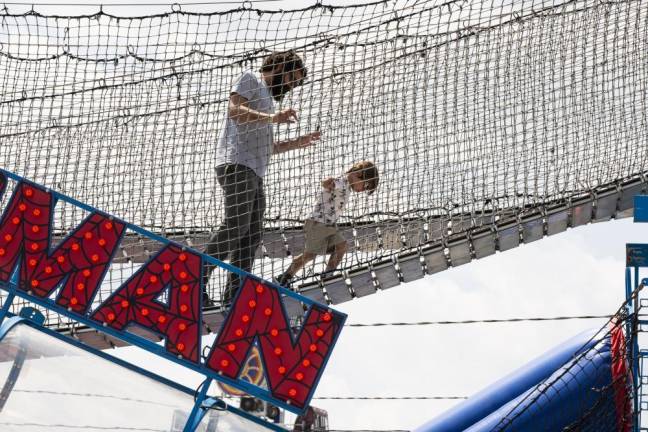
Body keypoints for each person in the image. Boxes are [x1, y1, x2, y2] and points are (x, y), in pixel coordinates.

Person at [204, 50, 320, 307]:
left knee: (252, 234)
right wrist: (273, 118)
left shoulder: (268, 101)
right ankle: (196, 278)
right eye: (291, 78)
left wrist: (297, 143)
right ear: (279, 67)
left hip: (255, 170)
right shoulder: (251, 80)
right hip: (236, 164)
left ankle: (232, 295)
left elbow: (267, 145)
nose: (290, 86)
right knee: (236, 225)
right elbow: (234, 110)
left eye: (295, 83)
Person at [274, 161, 379, 287]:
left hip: (328, 225)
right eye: (366, 185)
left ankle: (328, 276)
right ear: (359, 173)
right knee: (310, 255)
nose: (363, 190)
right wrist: (328, 182)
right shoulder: (342, 182)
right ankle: (284, 277)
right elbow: (331, 183)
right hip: (318, 223)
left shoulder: (347, 187)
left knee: (342, 246)